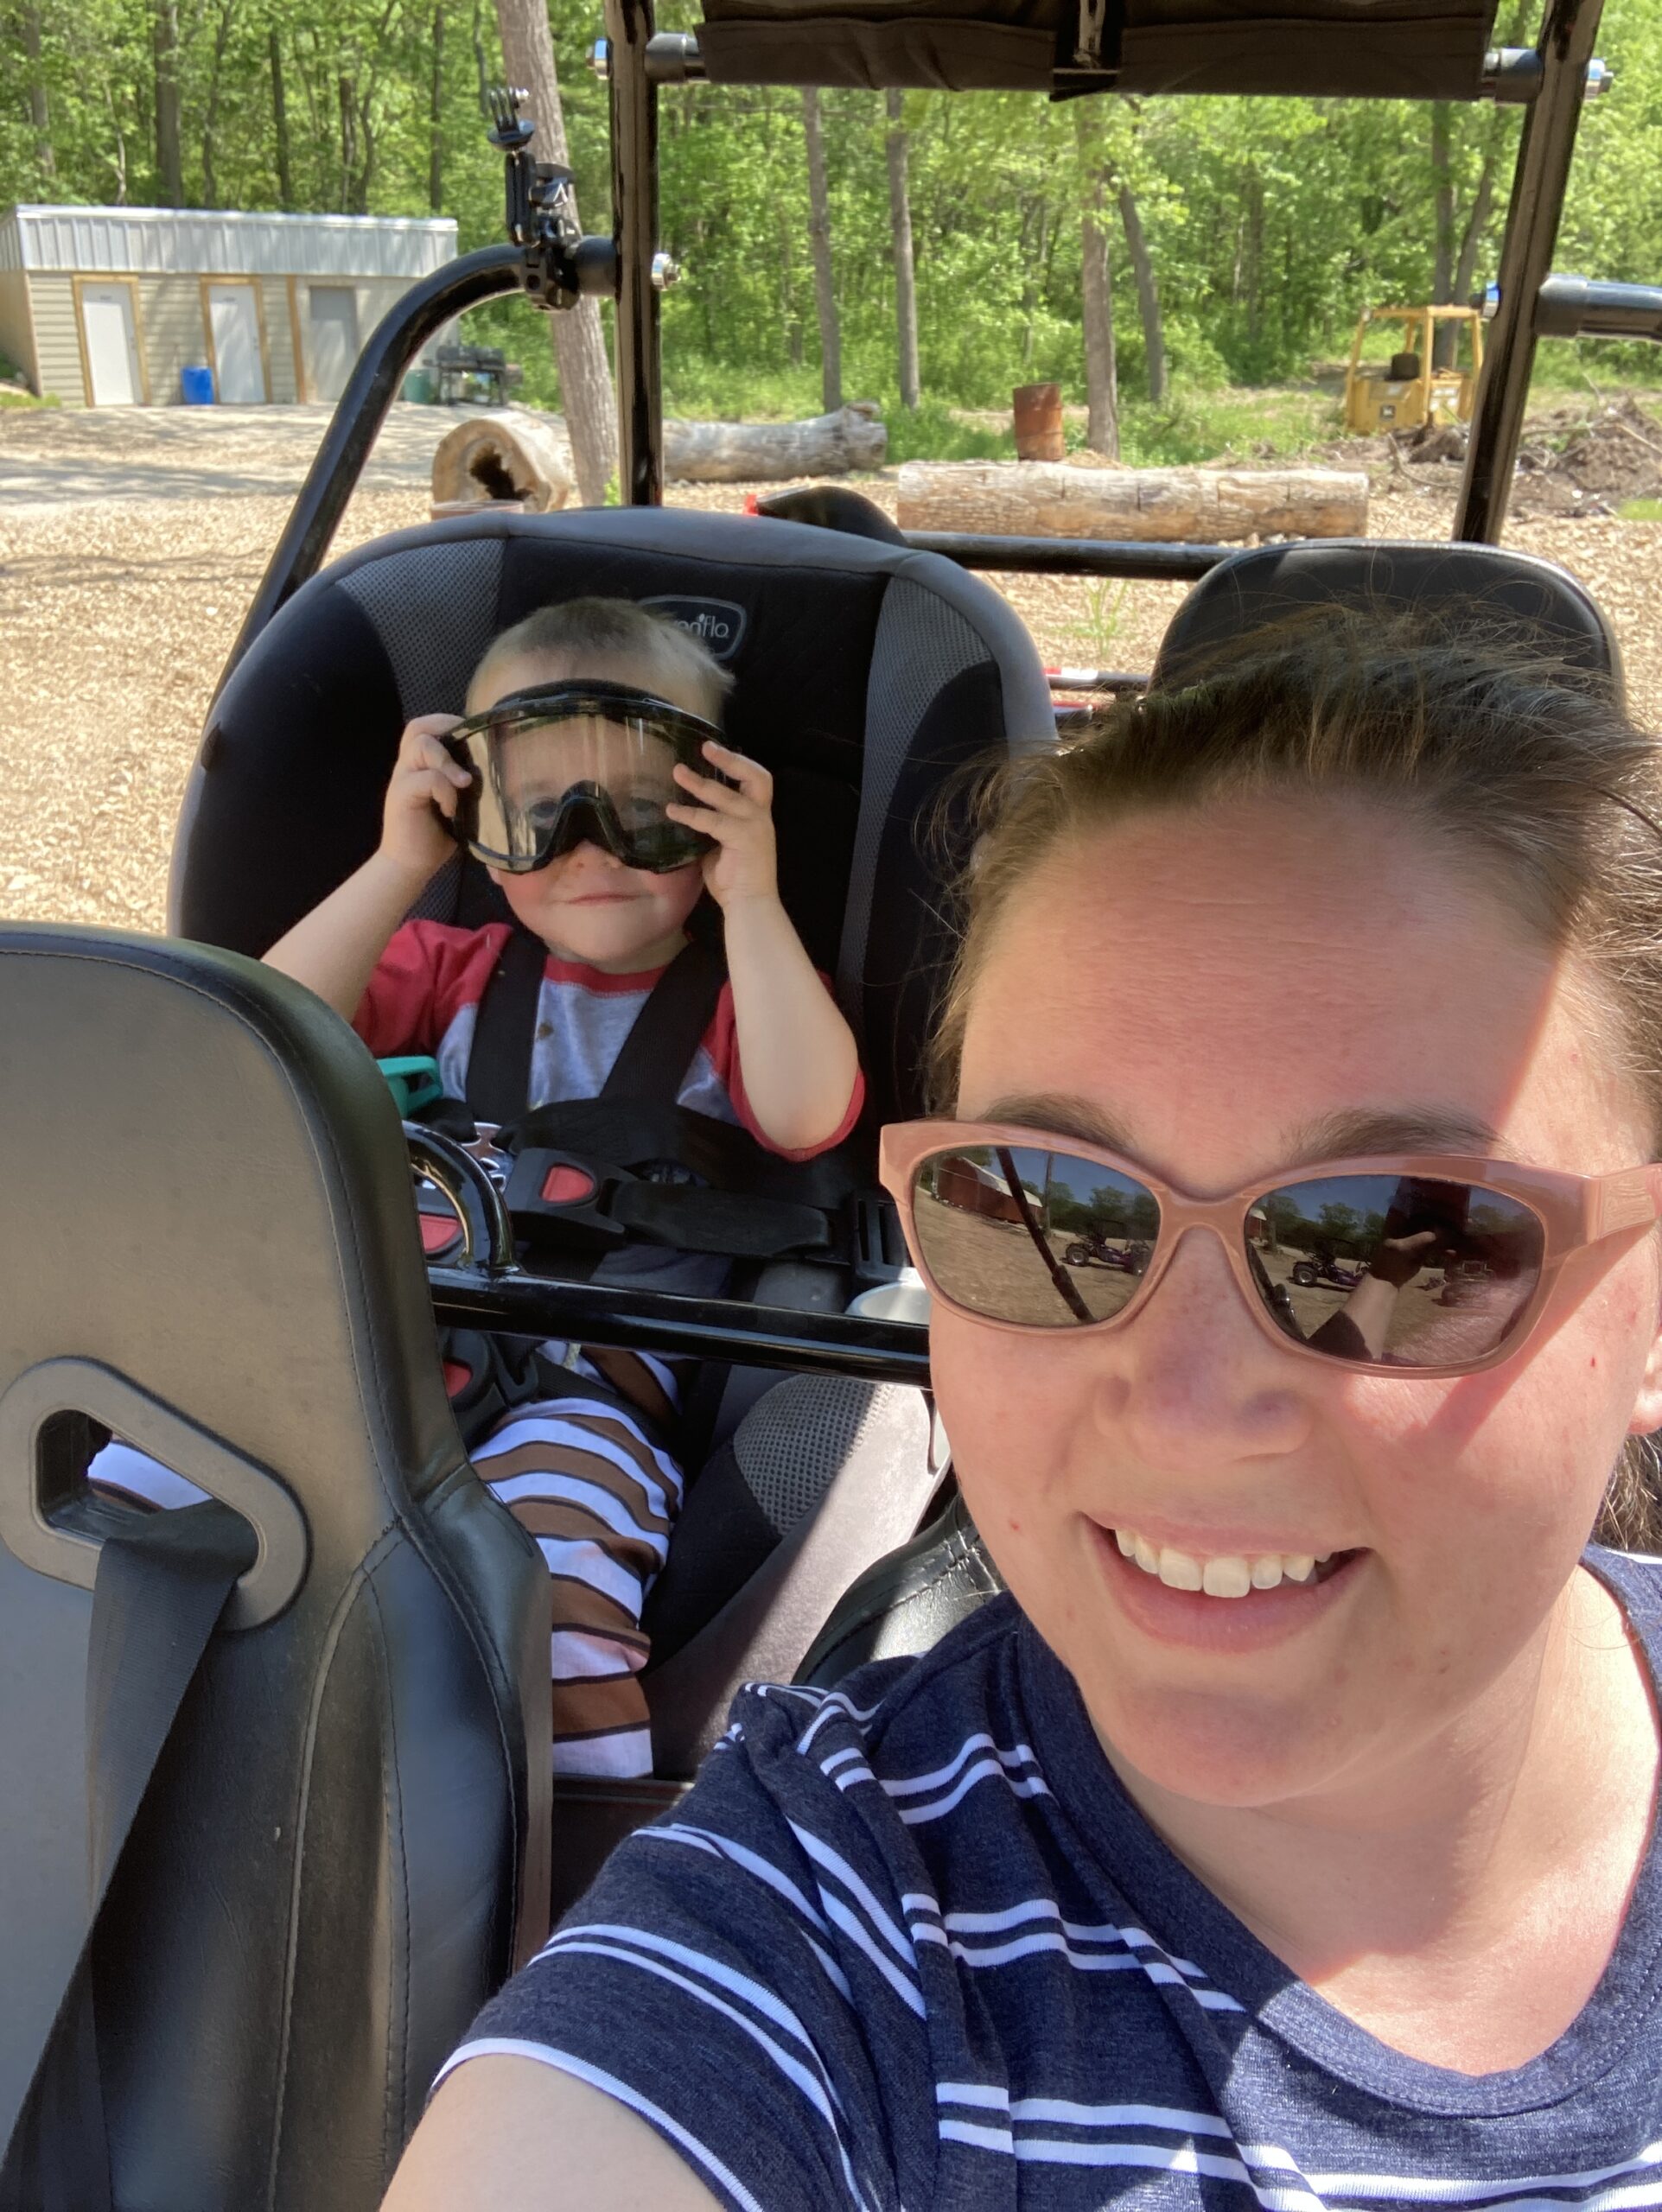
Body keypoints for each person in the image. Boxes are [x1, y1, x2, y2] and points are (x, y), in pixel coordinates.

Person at [385, 613, 1662, 2210]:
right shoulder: (810, 1925)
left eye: (1403, 1241)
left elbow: (792, 1110)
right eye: (1044, 1213)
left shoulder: (724, 983)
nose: (1188, 1412)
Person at [103, 596, 864, 1778]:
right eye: (538, 813)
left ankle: (570, 1882)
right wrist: (402, 860)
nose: (590, 847)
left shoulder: (741, 997)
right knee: (124, 1490)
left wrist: (753, 901)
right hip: (361, 1350)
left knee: (551, 1597)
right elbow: (259, 1047)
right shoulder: (444, 971)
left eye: (642, 811)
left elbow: (812, 1115)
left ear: (713, 813)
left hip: (590, 1388)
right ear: (476, 815)